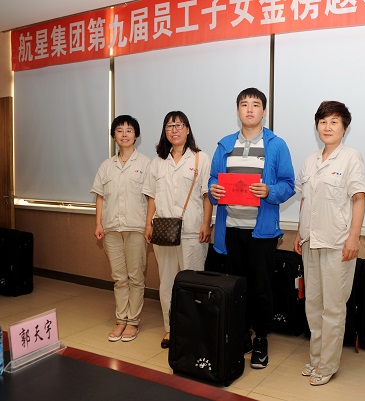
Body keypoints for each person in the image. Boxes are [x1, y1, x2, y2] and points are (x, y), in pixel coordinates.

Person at [208, 87, 295, 369]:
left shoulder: (276, 145)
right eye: (244, 104)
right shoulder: (224, 144)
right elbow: (212, 181)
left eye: (255, 104)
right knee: (236, 286)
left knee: (261, 288)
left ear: (263, 111)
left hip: (262, 233)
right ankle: (242, 334)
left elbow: (289, 184)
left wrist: (269, 190)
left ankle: (261, 339)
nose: (249, 109)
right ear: (237, 111)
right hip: (231, 229)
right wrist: (214, 190)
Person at [294, 101, 365, 385]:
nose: (327, 127)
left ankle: (327, 366)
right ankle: (315, 359)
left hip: (338, 243)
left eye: (334, 121)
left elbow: (358, 199)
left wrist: (353, 238)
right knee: (313, 306)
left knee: (333, 308)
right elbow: (305, 200)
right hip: (311, 241)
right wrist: (299, 232)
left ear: (344, 127)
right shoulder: (310, 160)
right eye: (323, 121)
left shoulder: (351, 157)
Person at [143, 111, 212, 349]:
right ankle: (171, 329)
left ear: (188, 129)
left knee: (193, 283)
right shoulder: (157, 161)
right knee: (167, 283)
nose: (174, 130)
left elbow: (207, 195)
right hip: (163, 231)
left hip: (192, 230)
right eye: (169, 126)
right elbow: (152, 197)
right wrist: (148, 224)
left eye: (179, 125)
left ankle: (194, 330)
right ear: (165, 131)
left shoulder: (200, 158)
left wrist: (206, 223)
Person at [91, 114, 151, 342]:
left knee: (135, 277)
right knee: (119, 277)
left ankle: (132, 322)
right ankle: (121, 319)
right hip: (111, 228)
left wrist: (148, 225)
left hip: (136, 228)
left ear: (136, 135)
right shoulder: (106, 166)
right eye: (119, 130)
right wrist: (98, 223)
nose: (124, 134)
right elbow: (100, 196)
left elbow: (152, 198)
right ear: (114, 136)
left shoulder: (146, 164)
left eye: (129, 130)